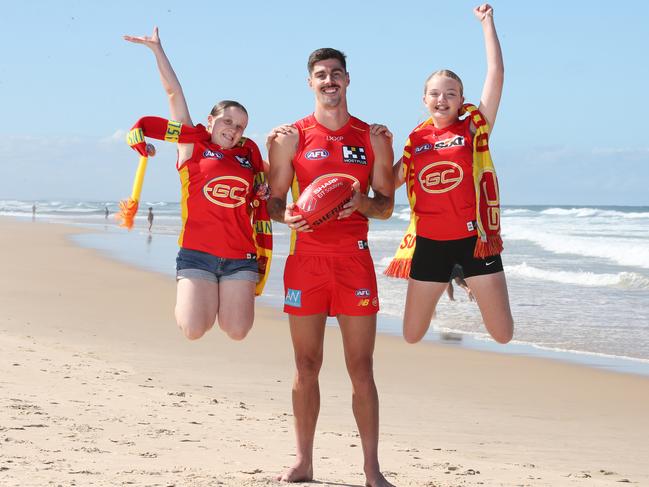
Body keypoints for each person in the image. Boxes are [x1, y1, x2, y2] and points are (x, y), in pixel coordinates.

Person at [268, 48, 395, 486]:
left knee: (362, 368)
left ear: (347, 80)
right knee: (306, 364)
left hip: (354, 261)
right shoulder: (290, 137)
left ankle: (371, 468)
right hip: (306, 261)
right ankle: (303, 461)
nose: (329, 81)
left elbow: (385, 206)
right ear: (310, 83)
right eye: (320, 75)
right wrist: (284, 215)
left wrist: (360, 202)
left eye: (336, 74)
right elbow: (273, 201)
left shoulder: (372, 136)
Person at [123, 27, 272, 342]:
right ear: (210, 120)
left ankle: (218, 295)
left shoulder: (250, 158)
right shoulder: (192, 147)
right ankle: (195, 297)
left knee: (237, 330)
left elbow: (270, 187)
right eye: (227, 121)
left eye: (241, 126)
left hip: (240, 256)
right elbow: (173, 94)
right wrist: (157, 50)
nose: (233, 130)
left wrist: (265, 188)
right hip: (196, 254)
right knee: (193, 329)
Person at [386, 4, 513, 345]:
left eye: (451, 93)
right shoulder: (415, 140)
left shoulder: (475, 126)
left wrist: (487, 22)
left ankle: (469, 278)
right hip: (429, 243)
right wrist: (374, 144)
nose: (442, 99)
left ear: (461, 100)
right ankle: (455, 281)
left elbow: (496, 73)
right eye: (435, 93)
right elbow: (386, 182)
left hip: (476, 241)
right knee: (411, 335)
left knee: (503, 334)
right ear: (424, 99)